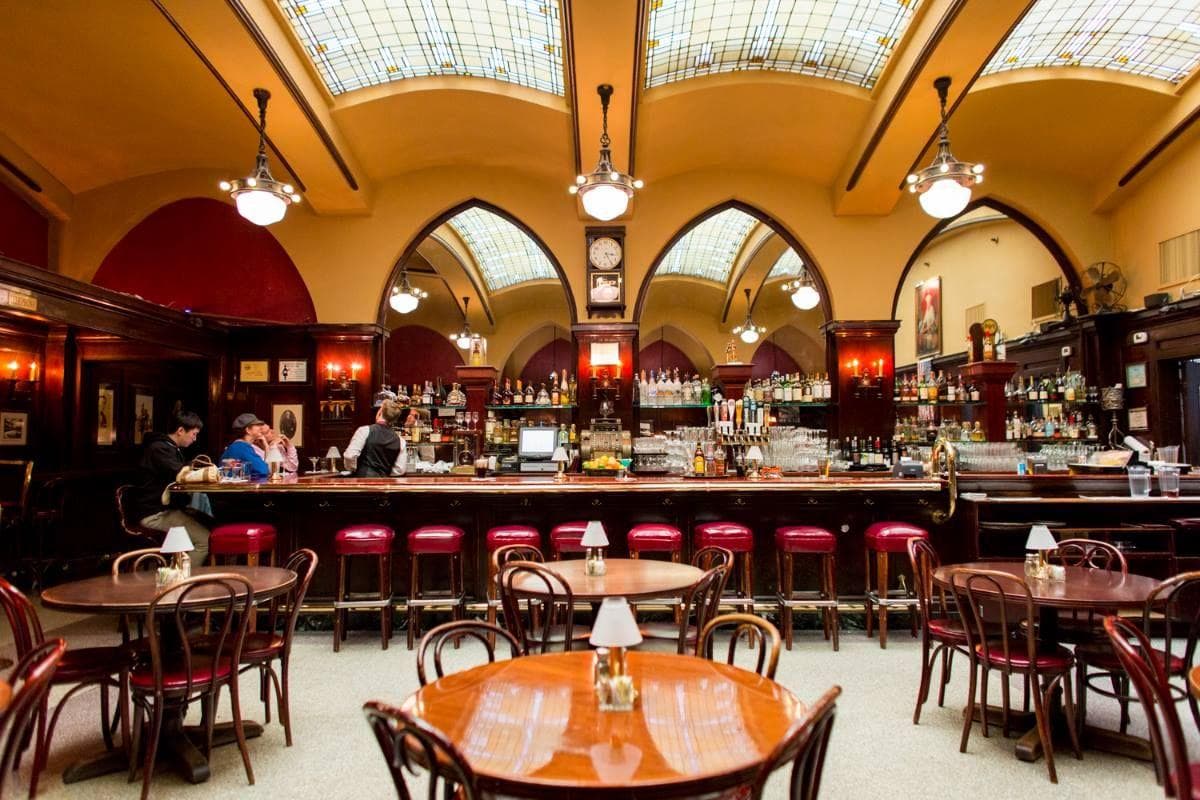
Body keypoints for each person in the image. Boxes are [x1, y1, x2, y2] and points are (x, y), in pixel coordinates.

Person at [128, 410, 211, 565]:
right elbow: (181, 473)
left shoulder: (169, 448)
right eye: (193, 434)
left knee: (208, 521)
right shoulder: (160, 449)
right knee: (205, 540)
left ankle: (180, 569)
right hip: (154, 513)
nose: (195, 439)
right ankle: (182, 578)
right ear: (180, 430)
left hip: (163, 509)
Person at [221, 413, 299, 479]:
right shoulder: (242, 447)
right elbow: (265, 471)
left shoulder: (240, 446)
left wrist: (266, 446)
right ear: (248, 430)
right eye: (257, 425)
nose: (260, 428)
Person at [344, 399, 407, 477]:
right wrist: (383, 473)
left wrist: (353, 469)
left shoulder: (364, 431)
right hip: (384, 482)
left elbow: (350, 456)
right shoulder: (400, 441)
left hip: (362, 481)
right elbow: (400, 470)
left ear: (380, 412)